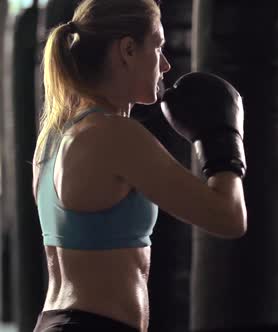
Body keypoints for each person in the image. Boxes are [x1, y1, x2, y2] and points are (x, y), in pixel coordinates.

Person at [31, 1, 247, 331]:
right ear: (128, 50)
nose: (165, 64)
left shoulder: (54, 137)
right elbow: (228, 217)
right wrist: (222, 140)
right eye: (158, 46)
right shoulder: (115, 135)